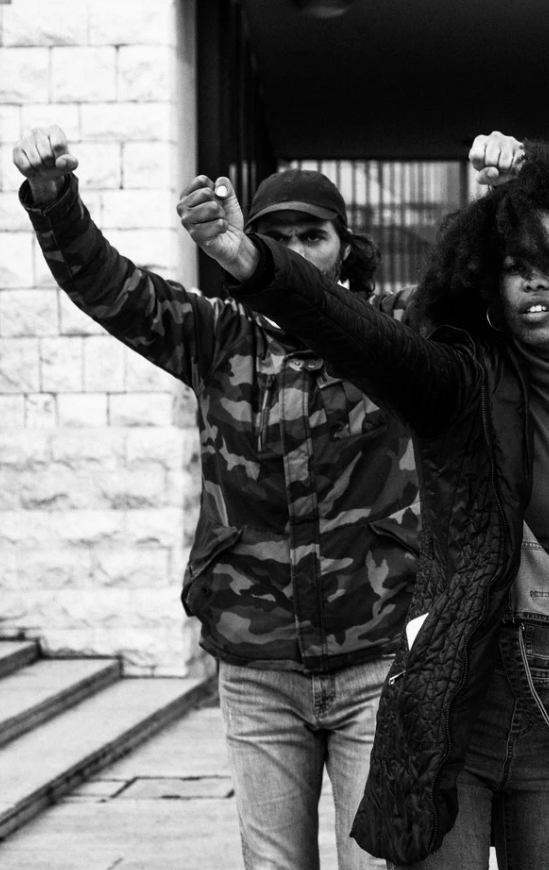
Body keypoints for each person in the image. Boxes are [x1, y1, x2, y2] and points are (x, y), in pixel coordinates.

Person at [177, 132, 549, 869]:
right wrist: (254, 264)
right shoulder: (458, 387)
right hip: (450, 730)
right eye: (516, 268)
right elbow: (356, 333)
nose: (535, 283)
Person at [13, 127, 420, 870]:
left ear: (346, 246)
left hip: (378, 661)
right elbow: (110, 287)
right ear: (243, 243)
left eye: (313, 234)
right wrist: (53, 200)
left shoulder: (392, 331)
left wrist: (511, 196)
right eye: (277, 235)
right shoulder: (215, 335)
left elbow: (480, 293)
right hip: (258, 665)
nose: (296, 248)